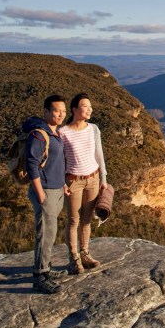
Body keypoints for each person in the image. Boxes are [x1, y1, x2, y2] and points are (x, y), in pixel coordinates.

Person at [24, 95, 69, 294]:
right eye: (56, 110)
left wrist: (63, 185)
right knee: (44, 234)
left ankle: (46, 269)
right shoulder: (39, 135)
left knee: (50, 233)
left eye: (63, 111)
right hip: (46, 191)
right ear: (46, 111)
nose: (61, 114)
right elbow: (31, 164)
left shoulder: (54, 133)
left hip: (56, 189)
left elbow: (55, 163)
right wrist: (40, 192)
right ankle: (39, 276)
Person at [59, 93, 108, 275]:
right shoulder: (63, 133)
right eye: (85, 106)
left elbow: (99, 155)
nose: (90, 109)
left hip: (93, 179)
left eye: (90, 106)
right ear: (74, 110)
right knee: (73, 220)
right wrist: (61, 182)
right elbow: (59, 161)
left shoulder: (93, 129)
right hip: (73, 181)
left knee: (87, 219)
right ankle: (74, 259)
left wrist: (103, 178)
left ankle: (85, 253)